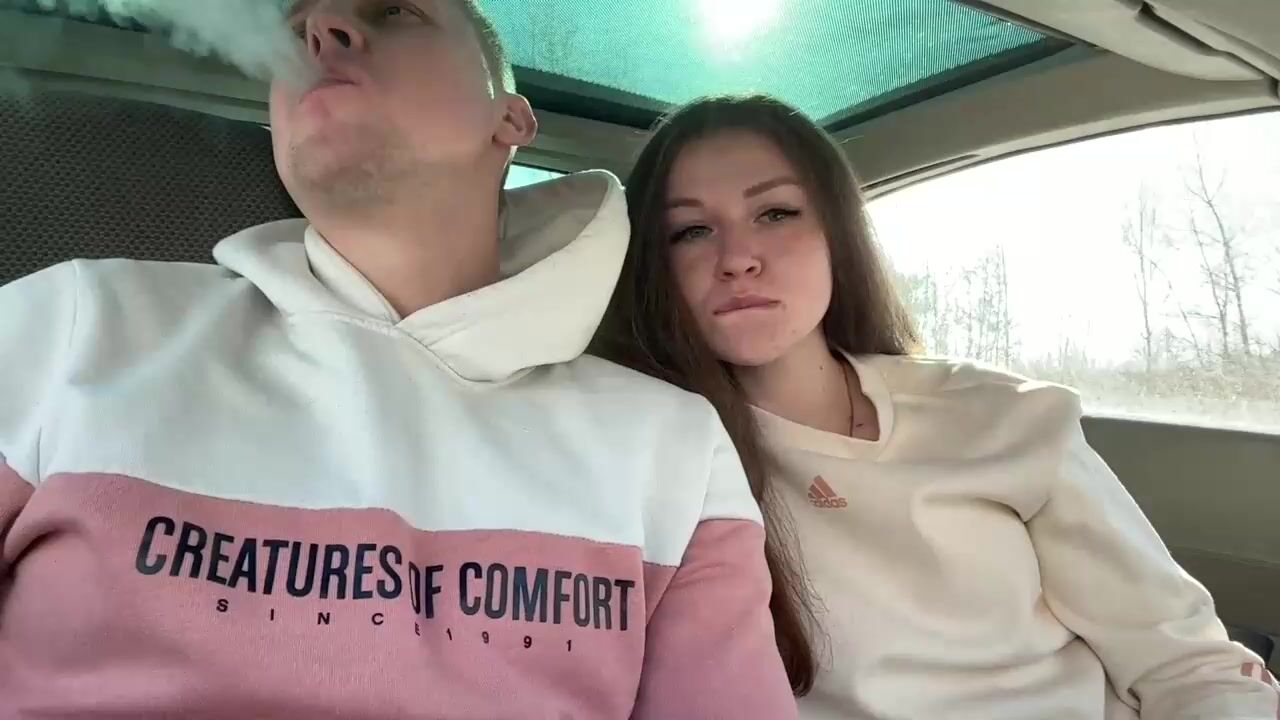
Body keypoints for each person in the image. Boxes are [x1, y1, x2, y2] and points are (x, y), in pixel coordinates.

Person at [0, 4, 798, 718]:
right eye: (295, 29)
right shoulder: (74, 321)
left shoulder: (670, 446)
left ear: (510, 117)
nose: (320, 33)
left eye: (395, 12)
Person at [593, 93, 1280, 719]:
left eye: (776, 213)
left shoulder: (1000, 414)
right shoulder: (649, 463)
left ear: (837, 234)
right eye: (690, 230)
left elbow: (1187, 665)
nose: (737, 258)